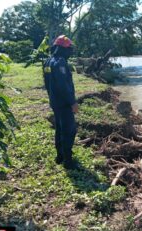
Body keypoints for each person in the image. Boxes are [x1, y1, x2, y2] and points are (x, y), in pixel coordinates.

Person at [43, 35, 78, 169]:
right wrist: (72, 102)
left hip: (55, 102)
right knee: (68, 131)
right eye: (69, 49)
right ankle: (68, 161)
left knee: (59, 129)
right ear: (63, 49)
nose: (70, 52)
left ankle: (59, 156)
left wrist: (52, 97)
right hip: (64, 104)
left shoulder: (47, 62)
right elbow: (64, 86)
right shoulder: (60, 63)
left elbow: (47, 83)